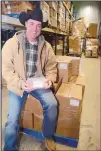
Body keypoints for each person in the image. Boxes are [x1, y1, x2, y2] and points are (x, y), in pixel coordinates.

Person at [2, 8, 58, 151]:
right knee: (12, 119)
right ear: (26, 24)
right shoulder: (11, 44)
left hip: (38, 82)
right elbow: (7, 70)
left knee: (52, 104)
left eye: (39, 25)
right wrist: (21, 83)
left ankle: (48, 137)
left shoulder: (47, 46)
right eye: (32, 24)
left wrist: (50, 80)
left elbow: (52, 67)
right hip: (19, 82)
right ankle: (9, 147)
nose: (35, 29)